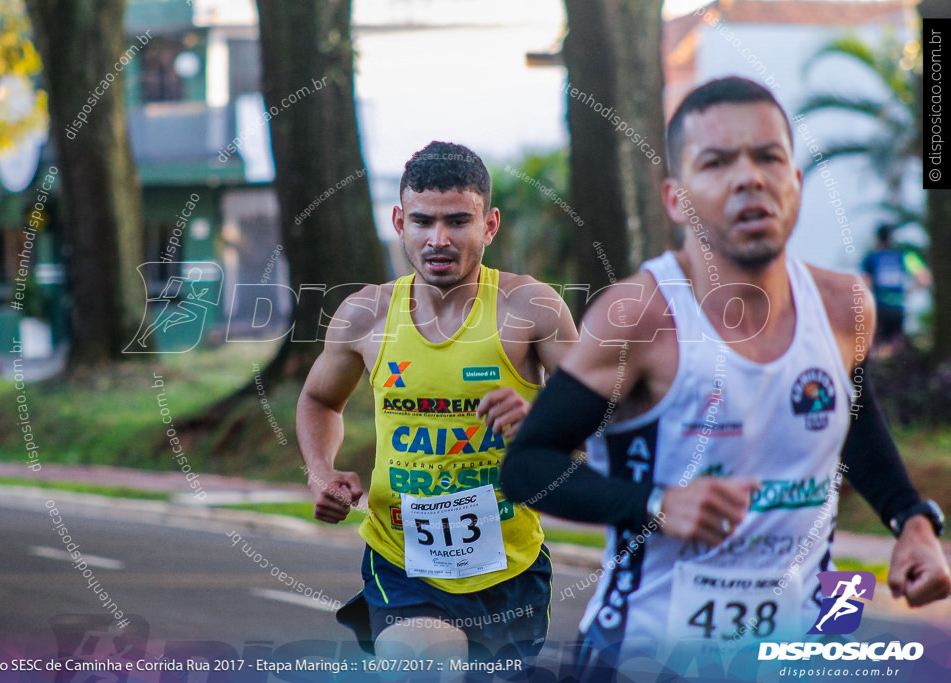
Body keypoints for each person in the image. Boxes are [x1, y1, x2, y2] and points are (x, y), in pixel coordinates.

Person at [500, 77, 950, 680]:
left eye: (768, 157)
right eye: (716, 162)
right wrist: (655, 504)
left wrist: (913, 521)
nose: (749, 178)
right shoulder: (641, 315)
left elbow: (851, 418)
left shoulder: (846, 307)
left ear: (794, 180)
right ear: (676, 199)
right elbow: (528, 465)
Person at [295, 141, 578, 668]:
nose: (438, 240)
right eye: (422, 222)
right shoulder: (365, 314)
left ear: (489, 225)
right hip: (401, 563)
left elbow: (597, 420)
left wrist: (543, 424)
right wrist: (321, 473)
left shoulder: (531, 308)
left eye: (458, 221)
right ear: (400, 222)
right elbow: (318, 400)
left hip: (510, 568)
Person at [861, 224, 931, 355]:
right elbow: (924, 278)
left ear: (876, 239)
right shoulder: (904, 256)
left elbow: (865, 285)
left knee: (875, 346)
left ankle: (879, 371)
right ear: (891, 239)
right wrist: (910, 290)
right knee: (894, 346)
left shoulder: (871, 258)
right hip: (898, 307)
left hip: (879, 308)